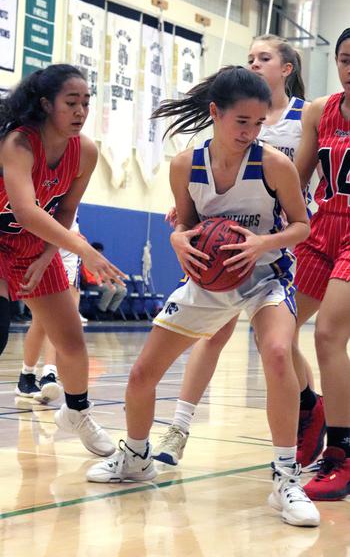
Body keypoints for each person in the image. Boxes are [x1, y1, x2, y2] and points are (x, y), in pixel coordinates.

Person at [87, 66, 320, 527]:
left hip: (265, 274)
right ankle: (136, 455)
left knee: (277, 353)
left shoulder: (274, 163)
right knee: (141, 374)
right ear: (215, 113)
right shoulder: (185, 165)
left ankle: (285, 477)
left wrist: (261, 244)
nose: (251, 133)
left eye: (259, 124)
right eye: (242, 123)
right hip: (209, 280)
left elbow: (301, 226)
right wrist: (176, 238)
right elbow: (186, 224)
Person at [152, 34, 324, 471]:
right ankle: (180, 425)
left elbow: (305, 180)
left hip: (284, 234)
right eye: (249, 57)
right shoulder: (233, 116)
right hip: (227, 238)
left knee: (280, 342)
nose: (253, 63)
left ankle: (307, 408)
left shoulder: (308, 115)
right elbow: (207, 176)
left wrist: (282, 225)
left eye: (264, 57)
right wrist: (192, 218)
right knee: (218, 334)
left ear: (287, 67)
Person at [0, 63, 126, 456]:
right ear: (45, 104)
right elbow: (24, 211)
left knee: (71, 341)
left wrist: (50, 254)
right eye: (71, 102)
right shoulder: (18, 143)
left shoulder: (85, 151)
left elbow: (64, 210)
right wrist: (81, 248)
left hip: (36, 246)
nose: (81, 111)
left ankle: (77, 412)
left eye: (86, 103)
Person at [290, 27, 350, 501]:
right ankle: (311, 408)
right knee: (276, 329)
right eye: (346, 59)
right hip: (320, 226)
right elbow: (298, 178)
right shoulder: (319, 111)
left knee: (328, 334)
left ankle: (341, 454)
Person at [15, 213, 83, 402]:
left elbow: (69, 208)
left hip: (67, 243)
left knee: (61, 319)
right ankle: (27, 374)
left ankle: (49, 374)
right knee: (42, 318)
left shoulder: (75, 183)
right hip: (36, 239)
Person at [80, 241, 127, 320]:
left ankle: (110, 311)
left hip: (102, 284)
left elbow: (106, 274)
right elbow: (88, 279)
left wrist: (111, 279)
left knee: (123, 290)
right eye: (98, 252)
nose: (100, 254)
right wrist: (104, 280)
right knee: (110, 289)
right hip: (91, 285)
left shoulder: (101, 262)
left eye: (101, 252)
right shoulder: (85, 261)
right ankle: (100, 311)